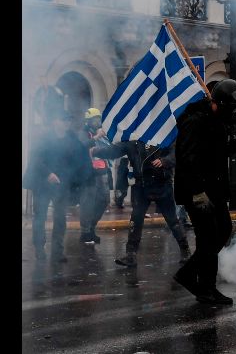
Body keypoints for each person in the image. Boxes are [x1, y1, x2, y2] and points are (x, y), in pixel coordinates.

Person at [173, 79, 236, 305]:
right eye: (233, 107)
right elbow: (188, 160)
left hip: (214, 189)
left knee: (223, 231)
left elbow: (211, 154)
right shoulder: (194, 121)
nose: (235, 112)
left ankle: (191, 276)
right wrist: (198, 194)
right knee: (208, 237)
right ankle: (204, 286)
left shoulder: (216, 120)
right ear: (221, 103)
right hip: (197, 191)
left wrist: (231, 147)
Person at [90, 140, 191, 267]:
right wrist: (96, 151)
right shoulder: (134, 139)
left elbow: (177, 151)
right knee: (136, 219)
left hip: (162, 184)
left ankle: (185, 251)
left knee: (172, 220)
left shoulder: (164, 133)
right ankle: (130, 255)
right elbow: (115, 150)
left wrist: (165, 161)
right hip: (141, 184)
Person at [23, 111, 92, 262]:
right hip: (42, 184)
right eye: (63, 120)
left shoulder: (71, 138)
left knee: (60, 218)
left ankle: (57, 251)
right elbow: (35, 158)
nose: (66, 123)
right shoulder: (44, 138)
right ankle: (40, 248)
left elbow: (80, 155)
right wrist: (48, 174)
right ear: (55, 121)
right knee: (40, 217)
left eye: (68, 120)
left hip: (61, 185)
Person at [78, 108, 113, 245]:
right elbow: (82, 146)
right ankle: (85, 232)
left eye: (99, 119)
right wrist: (96, 137)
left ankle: (92, 227)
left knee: (104, 200)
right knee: (87, 202)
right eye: (94, 119)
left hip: (102, 172)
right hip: (88, 174)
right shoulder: (83, 134)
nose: (98, 121)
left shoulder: (101, 133)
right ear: (88, 121)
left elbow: (110, 148)